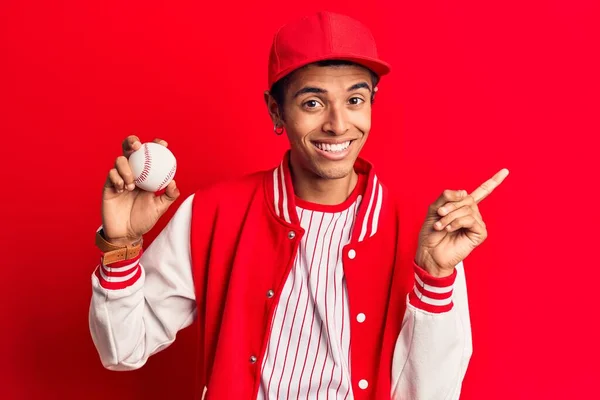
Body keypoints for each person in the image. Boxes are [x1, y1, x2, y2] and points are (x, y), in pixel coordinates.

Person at [89, 11, 509, 400]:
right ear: (276, 111)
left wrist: (435, 276)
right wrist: (122, 245)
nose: (338, 124)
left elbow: (432, 393)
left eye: (355, 100)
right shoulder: (213, 212)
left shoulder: (421, 231)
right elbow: (123, 349)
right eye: (313, 102)